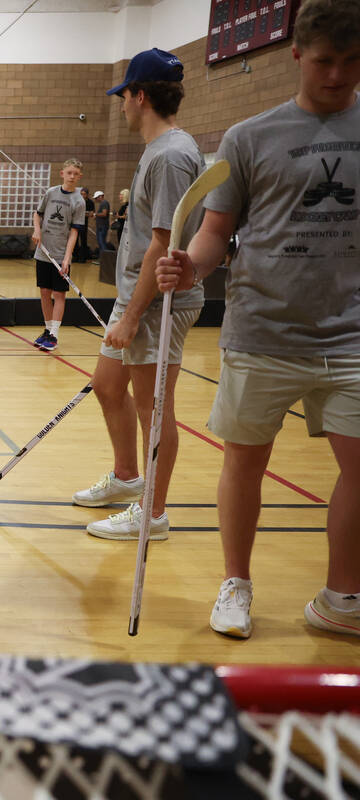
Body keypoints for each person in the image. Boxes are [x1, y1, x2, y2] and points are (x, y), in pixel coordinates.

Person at [158, 0, 360, 639]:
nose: (338, 76)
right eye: (326, 61)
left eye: (353, 63)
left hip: (353, 334)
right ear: (298, 54)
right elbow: (218, 231)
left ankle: (340, 598)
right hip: (263, 332)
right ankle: (236, 583)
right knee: (244, 463)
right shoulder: (248, 137)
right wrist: (189, 266)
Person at [76, 47, 204, 544]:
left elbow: (162, 242)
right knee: (108, 386)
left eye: (124, 95)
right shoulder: (156, 149)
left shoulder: (171, 155)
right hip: (135, 296)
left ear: (141, 95)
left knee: (155, 408)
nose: (121, 105)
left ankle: (152, 512)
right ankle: (128, 478)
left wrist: (131, 316)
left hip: (157, 305)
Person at [30, 159, 85, 352]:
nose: (71, 176)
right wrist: (37, 230)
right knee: (44, 292)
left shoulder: (79, 201)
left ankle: (54, 335)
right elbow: (38, 214)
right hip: (43, 252)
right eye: (68, 172)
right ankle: (47, 330)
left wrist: (67, 257)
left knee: (59, 294)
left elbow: (74, 232)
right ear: (62, 173)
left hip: (61, 254)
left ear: (79, 176)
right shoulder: (51, 193)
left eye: (75, 174)